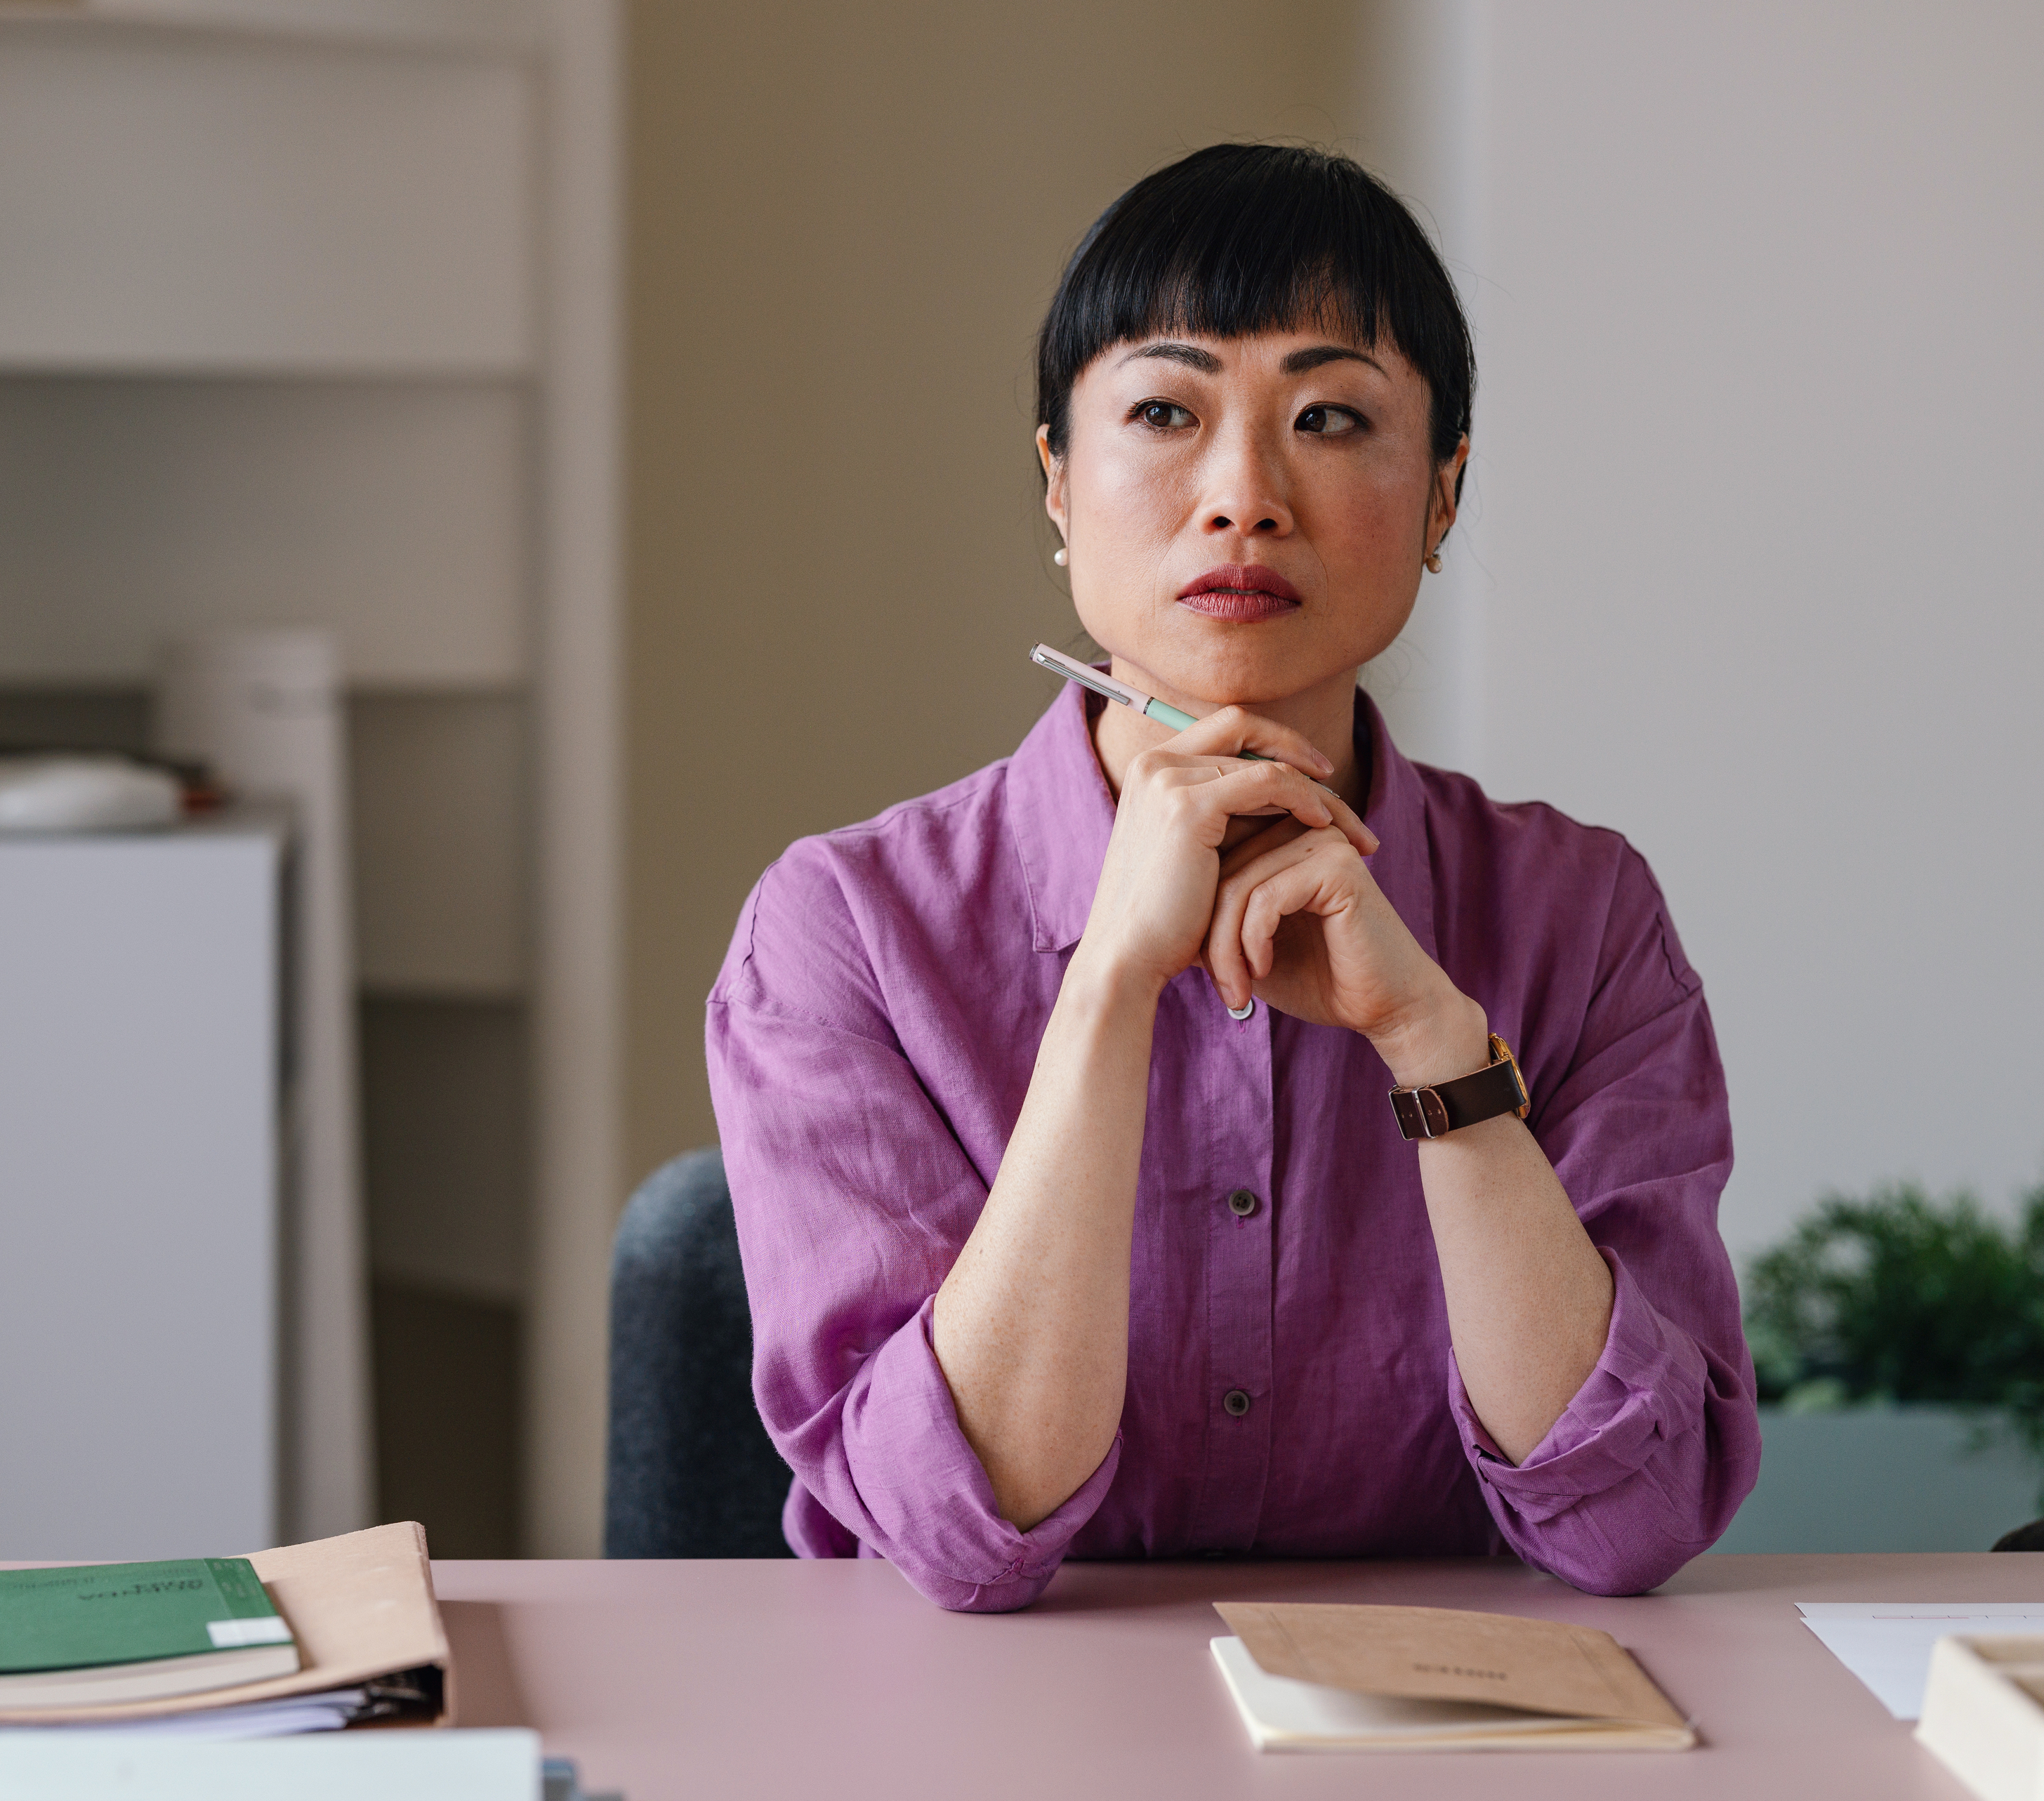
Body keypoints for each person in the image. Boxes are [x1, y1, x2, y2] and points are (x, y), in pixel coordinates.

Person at [704, 144, 1758, 1611]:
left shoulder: (1580, 920)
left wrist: (1435, 1050)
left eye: (1328, 417)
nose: (1243, 495)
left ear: (1443, 495)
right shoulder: (842, 931)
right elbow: (957, 1537)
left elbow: (1630, 1522)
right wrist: (1106, 989)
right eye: (1161, 411)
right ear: (1057, 484)